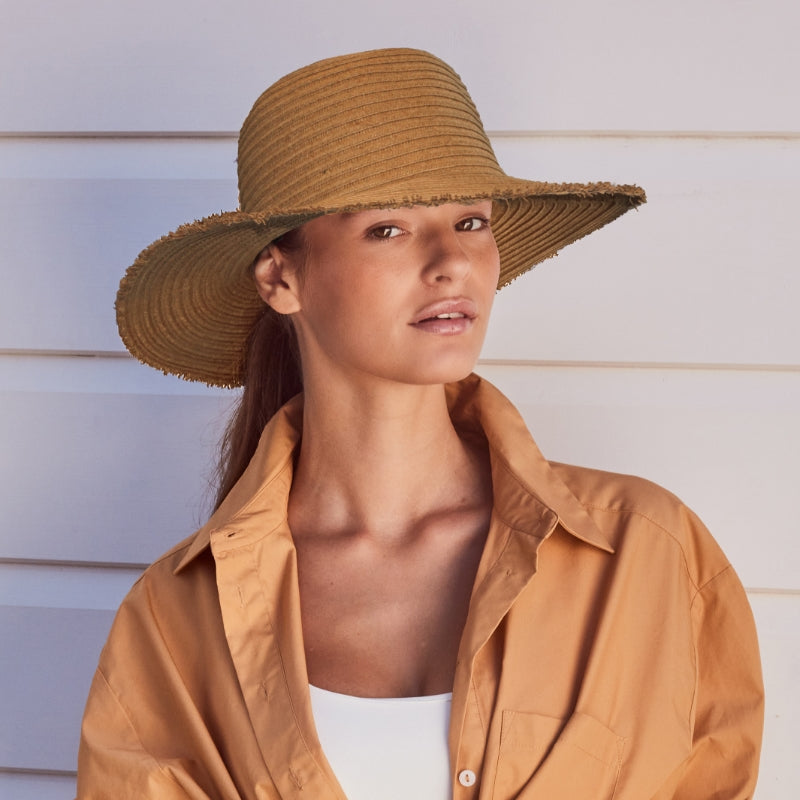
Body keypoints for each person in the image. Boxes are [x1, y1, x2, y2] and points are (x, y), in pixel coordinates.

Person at [77, 48, 763, 799]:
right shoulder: (176, 620)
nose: (452, 263)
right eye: (389, 229)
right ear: (281, 278)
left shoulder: (648, 555)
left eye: (470, 221)